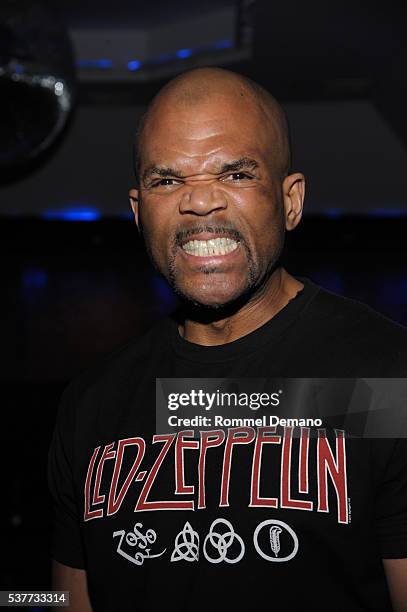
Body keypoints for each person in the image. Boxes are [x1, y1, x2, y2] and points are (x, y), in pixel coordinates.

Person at [48, 67, 407, 611]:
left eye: (236, 174)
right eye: (167, 181)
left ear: (291, 201)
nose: (199, 203)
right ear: (138, 210)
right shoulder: (93, 403)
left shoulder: (384, 379)